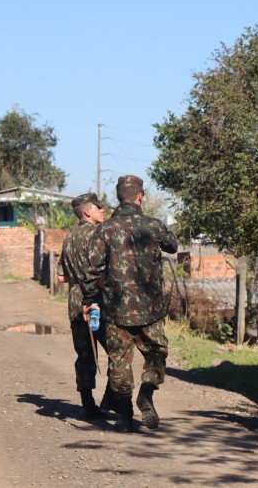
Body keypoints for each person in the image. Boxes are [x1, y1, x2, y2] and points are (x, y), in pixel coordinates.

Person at [81, 175, 178, 432]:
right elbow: (173, 245)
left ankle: (124, 415)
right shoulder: (153, 225)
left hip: (116, 309)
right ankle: (146, 392)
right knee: (156, 353)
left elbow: (92, 270)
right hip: (150, 309)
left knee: (119, 361)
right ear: (140, 196)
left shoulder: (104, 229)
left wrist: (90, 300)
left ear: (117, 197)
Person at [58, 192, 111, 420]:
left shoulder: (68, 238)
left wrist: (79, 279)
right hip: (99, 302)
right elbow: (106, 270)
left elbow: (60, 277)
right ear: (88, 211)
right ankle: (112, 398)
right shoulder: (100, 235)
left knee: (85, 354)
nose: (102, 210)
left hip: (76, 304)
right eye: (99, 206)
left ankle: (88, 404)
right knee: (118, 352)